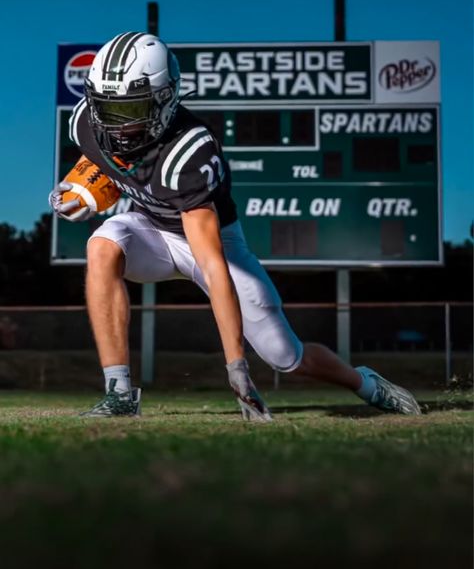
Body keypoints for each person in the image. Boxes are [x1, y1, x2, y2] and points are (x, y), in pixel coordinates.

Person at [49, 32, 421, 420]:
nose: (116, 126)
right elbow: (102, 159)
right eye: (107, 110)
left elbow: (212, 265)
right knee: (102, 244)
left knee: (285, 356)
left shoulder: (188, 152)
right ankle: (119, 392)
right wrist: (82, 185)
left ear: (164, 99)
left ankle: (365, 383)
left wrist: (237, 368)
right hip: (152, 230)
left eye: (129, 112)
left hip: (216, 248)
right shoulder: (86, 123)